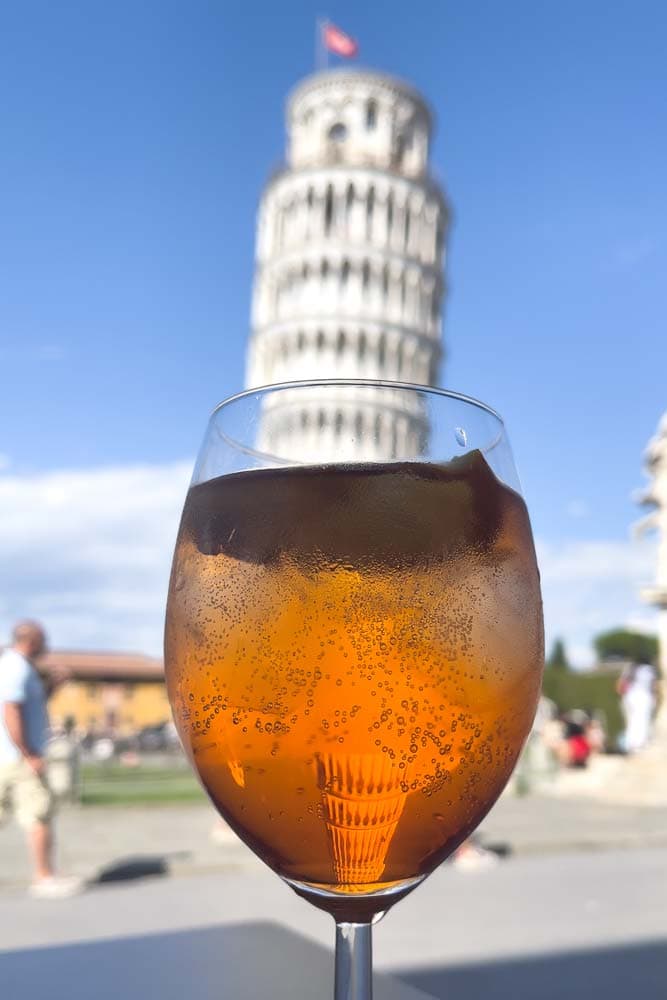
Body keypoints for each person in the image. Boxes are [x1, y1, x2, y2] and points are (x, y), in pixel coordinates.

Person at [0, 621, 83, 897]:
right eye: (43, 639)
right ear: (31, 640)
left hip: (9, 756)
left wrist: (53, 686)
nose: (47, 645)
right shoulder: (17, 668)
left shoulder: (19, 667)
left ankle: (44, 875)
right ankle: (44, 877)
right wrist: (29, 754)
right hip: (18, 759)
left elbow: (30, 706)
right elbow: (11, 711)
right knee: (39, 815)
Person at [617, 661, 658, 753]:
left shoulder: (632, 668)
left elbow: (621, 684)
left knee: (634, 721)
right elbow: (654, 686)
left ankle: (633, 743)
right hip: (641, 697)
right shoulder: (649, 670)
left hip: (631, 697)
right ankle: (637, 743)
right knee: (641, 721)